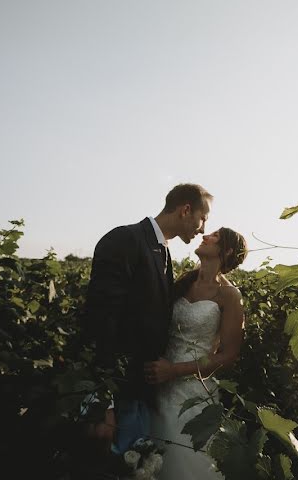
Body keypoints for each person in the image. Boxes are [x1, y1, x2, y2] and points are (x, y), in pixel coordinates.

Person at [84, 183, 213, 455]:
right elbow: (101, 322)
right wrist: (102, 402)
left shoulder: (162, 251)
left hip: (143, 393)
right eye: (203, 218)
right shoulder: (125, 240)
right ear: (186, 210)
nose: (203, 228)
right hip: (118, 395)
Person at [144, 227, 247, 480]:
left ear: (227, 250)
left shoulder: (230, 295)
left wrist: (174, 370)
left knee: (186, 462)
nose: (204, 236)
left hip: (193, 392)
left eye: (213, 236)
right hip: (156, 384)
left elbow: (228, 356)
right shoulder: (182, 283)